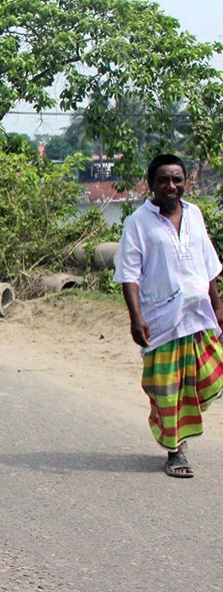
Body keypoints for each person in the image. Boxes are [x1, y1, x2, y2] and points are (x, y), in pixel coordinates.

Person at [113, 153, 223, 478]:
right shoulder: (137, 223)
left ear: (185, 182)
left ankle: (182, 429)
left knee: (206, 375)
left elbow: (209, 264)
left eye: (177, 179)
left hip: (198, 316)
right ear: (151, 185)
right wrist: (136, 318)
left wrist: (217, 306)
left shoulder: (195, 214)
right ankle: (176, 452)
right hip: (161, 321)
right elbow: (129, 275)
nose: (171, 186)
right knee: (167, 388)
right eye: (163, 180)